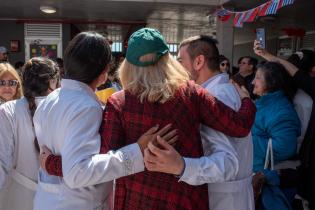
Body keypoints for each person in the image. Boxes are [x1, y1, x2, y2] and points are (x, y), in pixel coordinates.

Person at [96, 28, 256, 210]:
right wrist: (246, 101)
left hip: (136, 200)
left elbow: (106, 164)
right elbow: (239, 127)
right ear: (167, 60)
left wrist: (138, 150)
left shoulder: (118, 103)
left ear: (128, 65)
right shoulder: (192, 94)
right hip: (184, 200)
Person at [33, 31, 176, 210]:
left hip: (46, 200)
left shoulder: (49, 100)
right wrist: (137, 151)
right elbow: (77, 173)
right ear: (103, 74)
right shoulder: (86, 107)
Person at [143, 35, 254, 210]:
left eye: (181, 61)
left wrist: (181, 166)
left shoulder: (216, 96)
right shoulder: (219, 91)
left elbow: (226, 163)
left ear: (199, 62)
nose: (177, 68)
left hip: (221, 200)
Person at [254, 41, 315, 210]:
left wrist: (245, 140)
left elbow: (291, 144)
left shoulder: (302, 101)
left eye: (258, 77)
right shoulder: (287, 98)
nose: (253, 82)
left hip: (285, 171)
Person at [0, 57, 59, 210]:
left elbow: (2, 162)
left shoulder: (8, 110)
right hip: (57, 198)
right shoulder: (64, 109)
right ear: (53, 82)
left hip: (17, 196)